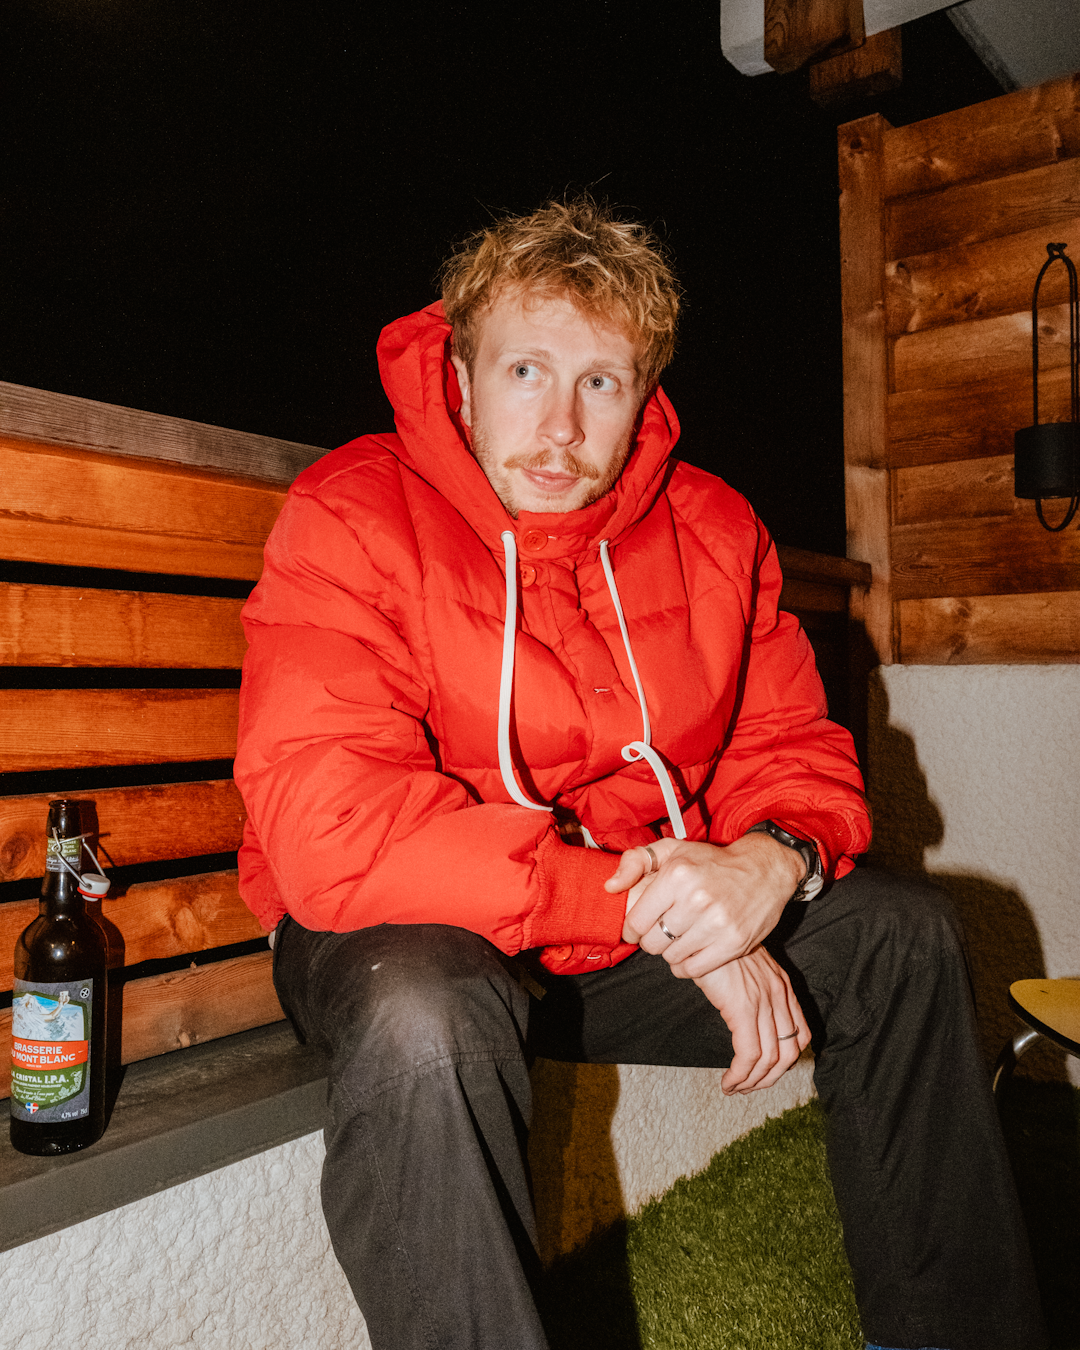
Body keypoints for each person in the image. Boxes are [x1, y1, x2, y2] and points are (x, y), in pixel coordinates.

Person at [233, 198, 1046, 1350]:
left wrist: (770, 865)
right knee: (428, 1012)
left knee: (901, 935)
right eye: (526, 370)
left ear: (643, 399)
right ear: (461, 378)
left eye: (601, 384)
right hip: (396, 927)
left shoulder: (715, 530)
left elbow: (793, 750)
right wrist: (668, 915)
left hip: (609, 940)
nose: (560, 427)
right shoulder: (355, 512)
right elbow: (338, 834)